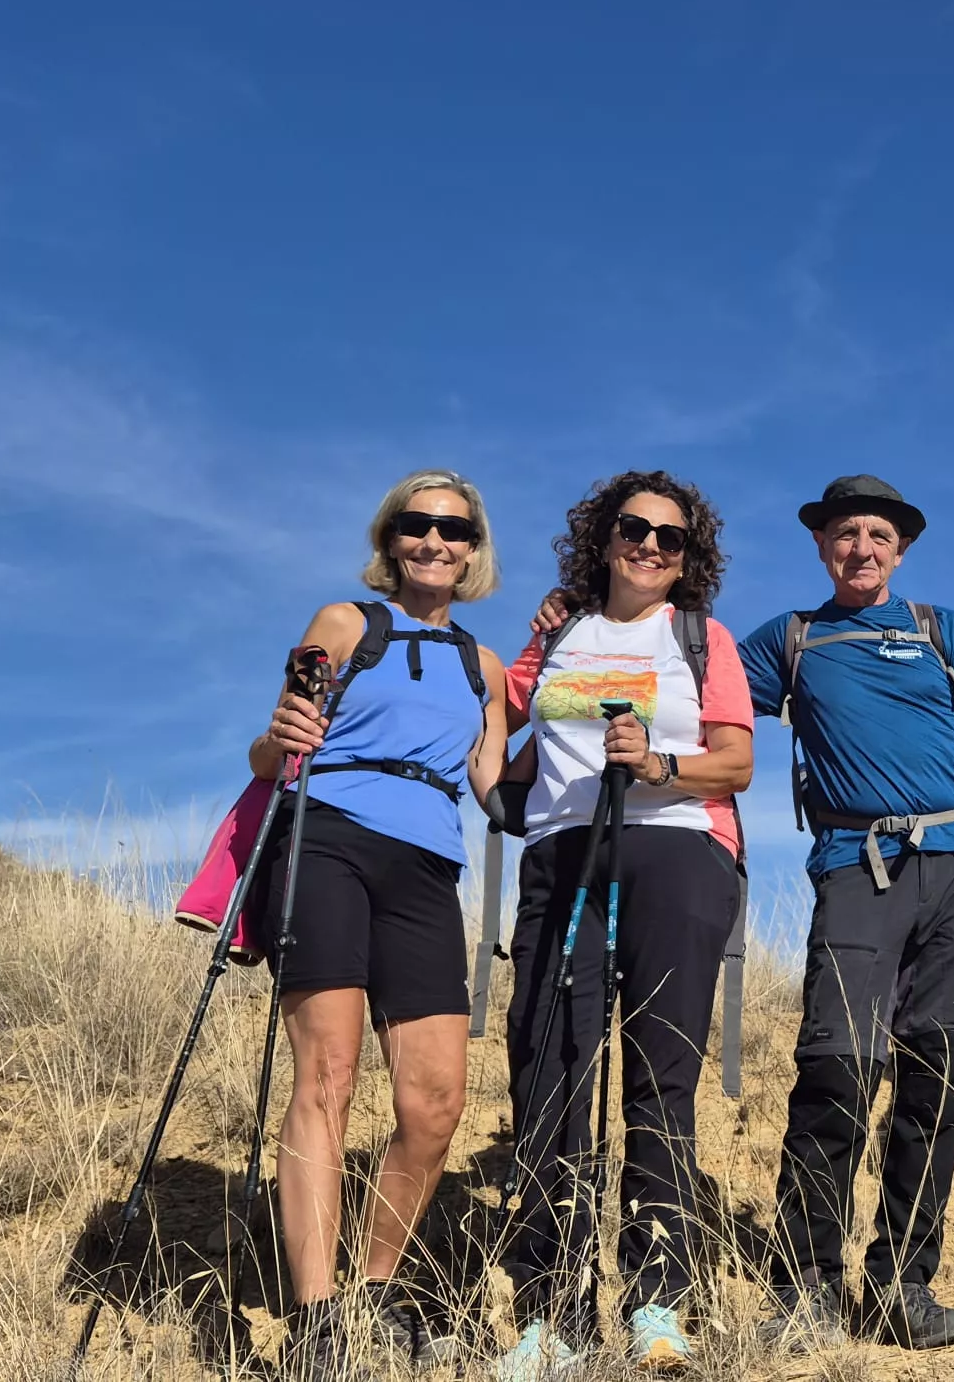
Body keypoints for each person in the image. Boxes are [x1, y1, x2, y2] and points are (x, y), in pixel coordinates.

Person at [737, 474, 954, 1352]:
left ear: (899, 549)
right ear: (821, 545)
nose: (860, 546)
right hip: (853, 866)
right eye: (844, 533)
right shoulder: (790, 640)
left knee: (937, 1079)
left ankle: (903, 1283)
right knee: (836, 1070)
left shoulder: (944, 632)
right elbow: (699, 699)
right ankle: (808, 1286)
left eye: (877, 534)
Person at [495, 471, 753, 1379]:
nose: (650, 546)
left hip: (677, 852)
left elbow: (737, 762)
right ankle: (549, 1312)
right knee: (550, 1072)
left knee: (659, 1075)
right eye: (633, 530)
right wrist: (496, 771)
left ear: (689, 557)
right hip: (565, 853)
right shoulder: (558, 632)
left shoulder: (701, 638)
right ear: (603, 539)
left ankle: (657, 1302)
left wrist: (657, 762)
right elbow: (500, 710)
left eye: (670, 538)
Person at [251, 469, 508, 1376]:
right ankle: (321, 1320)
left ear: (475, 547)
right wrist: (278, 734)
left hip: (429, 867)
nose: (436, 541)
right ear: (391, 536)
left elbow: (495, 788)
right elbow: (270, 744)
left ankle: (375, 1290)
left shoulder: (487, 668)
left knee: (435, 1103)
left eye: (455, 529)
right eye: (418, 524)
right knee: (326, 1075)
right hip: (329, 842)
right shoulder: (343, 625)